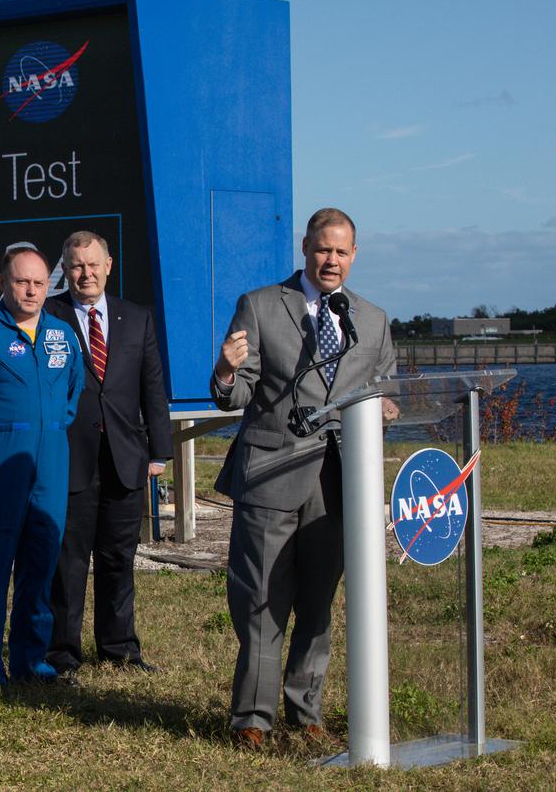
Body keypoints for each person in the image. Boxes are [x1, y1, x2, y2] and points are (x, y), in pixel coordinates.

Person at [212, 207, 396, 749]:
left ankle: (305, 709)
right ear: (305, 249)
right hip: (272, 472)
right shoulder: (263, 306)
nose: (331, 260)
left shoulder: (374, 319)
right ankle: (252, 719)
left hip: (342, 483)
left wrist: (387, 409)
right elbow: (237, 391)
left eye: (341, 251)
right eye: (322, 249)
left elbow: (385, 392)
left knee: (318, 602)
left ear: (354, 255)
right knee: (262, 600)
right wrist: (225, 370)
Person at [0, 246, 83, 688]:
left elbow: (73, 393)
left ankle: (30, 658)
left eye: (40, 283)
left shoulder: (62, 334)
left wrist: (48, 431)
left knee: (41, 560)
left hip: (51, 458)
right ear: (3, 283)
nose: (31, 290)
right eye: (22, 281)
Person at [45, 231, 173, 676]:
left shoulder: (136, 318)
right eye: (77, 265)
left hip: (125, 457)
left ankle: (120, 649)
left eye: (93, 264)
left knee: (119, 558)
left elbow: (152, 387)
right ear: (65, 270)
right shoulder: (48, 316)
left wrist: (160, 450)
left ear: (109, 265)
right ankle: (61, 653)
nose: (86, 273)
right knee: (69, 560)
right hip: (70, 457)